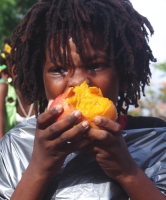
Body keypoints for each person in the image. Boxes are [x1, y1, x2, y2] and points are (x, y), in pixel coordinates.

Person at [0, 0, 166, 199]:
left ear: (121, 75)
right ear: (41, 80)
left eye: (96, 65)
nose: (78, 82)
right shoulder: (19, 143)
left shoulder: (154, 140)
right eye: (58, 69)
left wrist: (127, 172)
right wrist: (39, 169)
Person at [0, 37, 35, 139]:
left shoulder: (42, 94)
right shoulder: (4, 91)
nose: (24, 69)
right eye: (17, 65)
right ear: (8, 73)